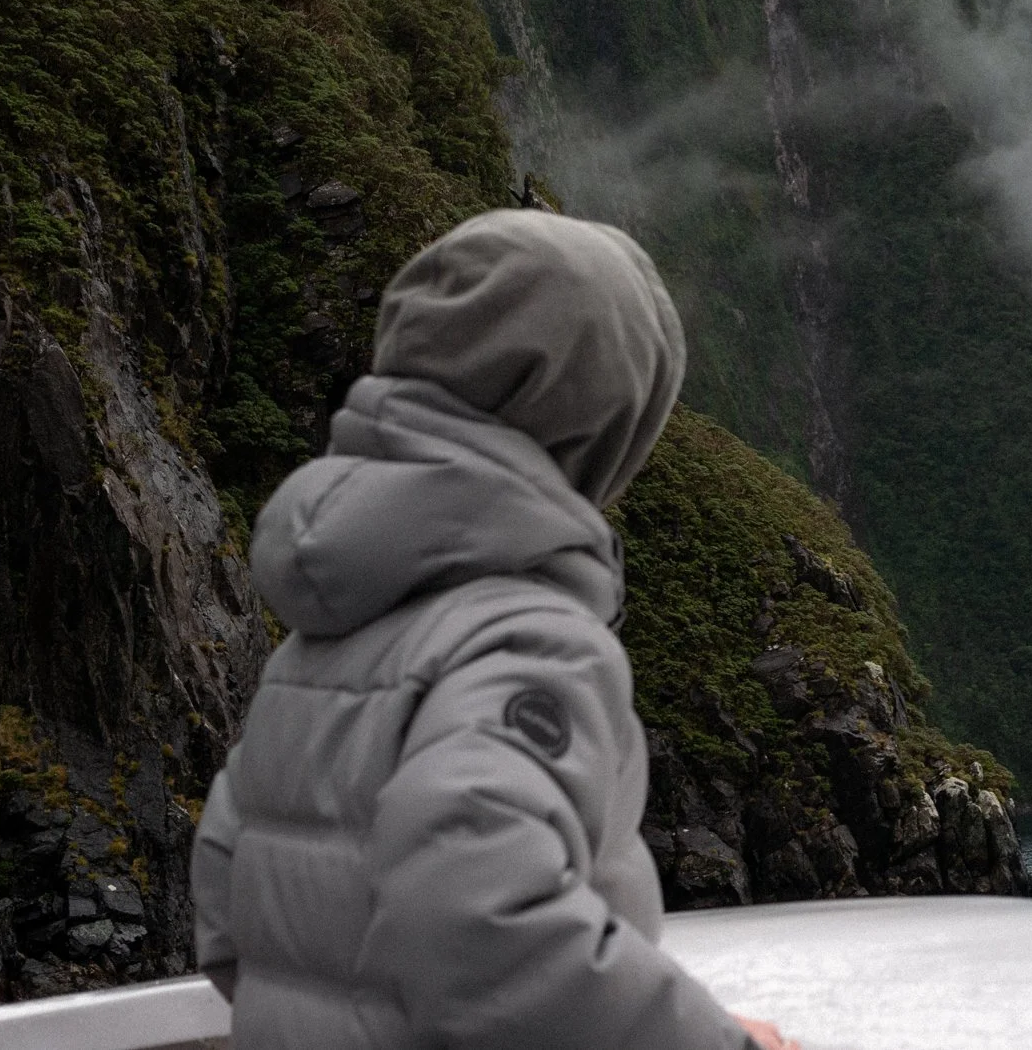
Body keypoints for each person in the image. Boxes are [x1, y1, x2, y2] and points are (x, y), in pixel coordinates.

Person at [191, 209, 799, 1050]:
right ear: (601, 424)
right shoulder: (530, 640)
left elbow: (230, 898)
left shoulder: (326, 634)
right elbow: (483, 915)